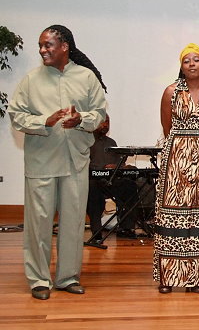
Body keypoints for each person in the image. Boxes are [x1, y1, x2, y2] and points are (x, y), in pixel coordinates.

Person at [8, 25, 107, 300]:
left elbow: (99, 113)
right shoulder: (31, 80)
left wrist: (81, 120)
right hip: (42, 162)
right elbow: (16, 115)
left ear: (64, 46)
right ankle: (39, 279)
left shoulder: (86, 77)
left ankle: (67, 277)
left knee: (73, 223)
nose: (42, 50)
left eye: (48, 45)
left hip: (76, 161)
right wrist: (45, 121)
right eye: (40, 45)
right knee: (38, 224)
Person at [153, 43, 199, 294]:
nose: (192, 64)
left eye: (196, 60)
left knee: (198, 214)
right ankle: (168, 276)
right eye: (186, 61)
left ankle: (195, 278)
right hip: (175, 159)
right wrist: (183, 147)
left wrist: (197, 144)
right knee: (171, 214)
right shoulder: (171, 92)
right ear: (181, 66)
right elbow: (167, 126)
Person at [86, 114, 138, 243]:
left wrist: (119, 167)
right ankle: (96, 231)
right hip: (94, 180)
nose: (105, 125)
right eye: (102, 122)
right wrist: (103, 168)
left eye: (107, 122)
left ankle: (126, 228)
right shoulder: (87, 141)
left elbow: (118, 163)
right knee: (93, 188)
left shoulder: (111, 143)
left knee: (130, 186)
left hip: (112, 180)